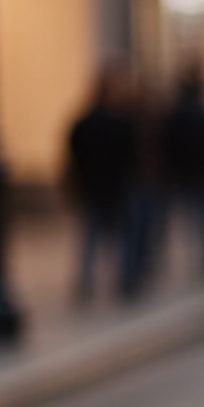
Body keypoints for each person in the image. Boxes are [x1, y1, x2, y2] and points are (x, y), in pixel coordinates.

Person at [65, 59, 141, 301]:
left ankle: (119, 278)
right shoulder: (108, 123)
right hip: (102, 186)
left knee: (105, 236)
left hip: (108, 186)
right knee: (98, 235)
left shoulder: (109, 122)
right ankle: (99, 280)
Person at [160, 70, 204, 279]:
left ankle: (195, 258)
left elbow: (168, 145)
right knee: (202, 218)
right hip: (200, 173)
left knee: (188, 219)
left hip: (183, 173)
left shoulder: (174, 116)